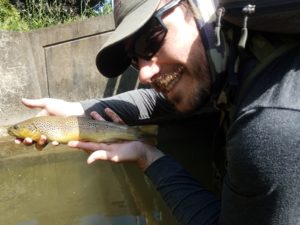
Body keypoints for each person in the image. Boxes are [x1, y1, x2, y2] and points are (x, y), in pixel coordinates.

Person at [16, 0, 300, 224]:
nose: (145, 73)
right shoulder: (245, 52)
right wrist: (77, 110)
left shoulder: (270, 126)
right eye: (134, 59)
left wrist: (149, 158)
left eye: (150, 41)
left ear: (201, 6)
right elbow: (157, 100)